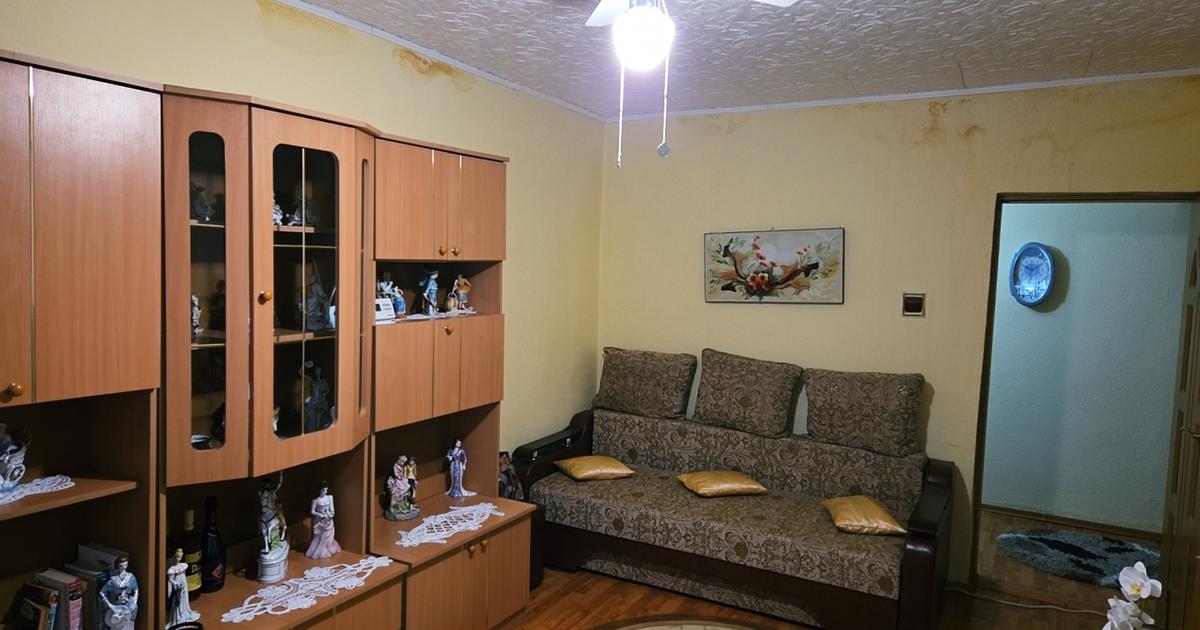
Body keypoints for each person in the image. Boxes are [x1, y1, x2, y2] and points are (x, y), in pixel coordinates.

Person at [100, 555, 139, 630]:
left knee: (129, 625)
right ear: (117, 565)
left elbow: (136, 590)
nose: (124, 567)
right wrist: (110, 605)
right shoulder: (113, 580)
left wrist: (134, 602)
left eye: (125, 565)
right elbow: (102, 592)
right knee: (116, 625)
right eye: (121, 566)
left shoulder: (131, 577)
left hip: (129, 605)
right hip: (116, 607)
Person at [166, 547, 200, 627]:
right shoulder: (172, 569)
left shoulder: (184, 565)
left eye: (180, 556)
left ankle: (185, 614)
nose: (179, 557)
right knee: (178, 601)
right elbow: (170, 580)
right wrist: (175, 583)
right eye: (177, 556)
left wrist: (183, 584)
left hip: (183, 582)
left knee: (184, 598)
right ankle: (178, 618)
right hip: (177, 583)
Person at [306, 482, 341, 559]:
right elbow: (312, 511)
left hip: (328, 520)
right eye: (323, 490)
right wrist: (319, 515)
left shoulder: (330, 497)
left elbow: (332, 509)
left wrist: (331, 514)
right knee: (321, 537)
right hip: (320, 521)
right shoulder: (316, 500)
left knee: (328, 537)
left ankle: (327, 549)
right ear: (320, 490)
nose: (325, 492)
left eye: (326, 490)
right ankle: (320, 552)